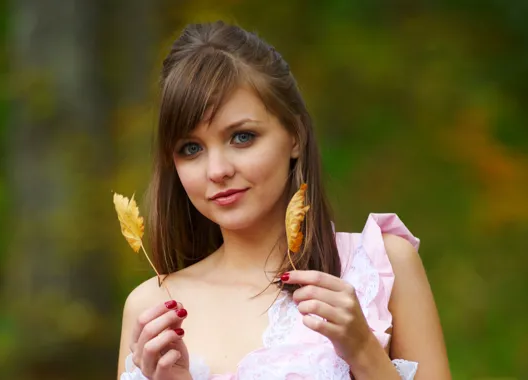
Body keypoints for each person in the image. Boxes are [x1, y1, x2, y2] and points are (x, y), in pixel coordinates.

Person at [117, 21, 451, 380]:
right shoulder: (152, 306)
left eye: (242, 137)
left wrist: (364, 353)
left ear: (294, 134)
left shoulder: (378, 267)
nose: (217, 170)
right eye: (191, 148)